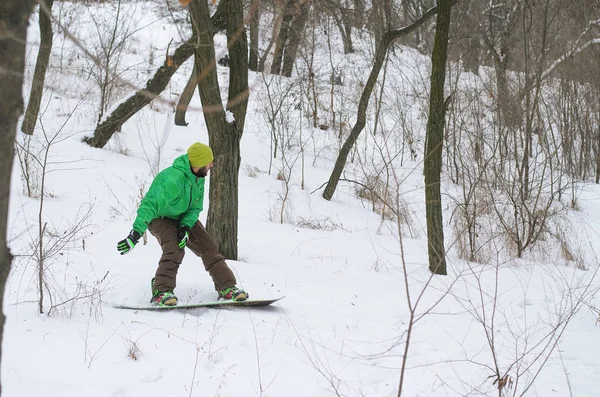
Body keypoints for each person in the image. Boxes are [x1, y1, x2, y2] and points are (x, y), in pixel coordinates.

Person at [117, 142, 248, 306]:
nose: (211, 165)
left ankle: (227, 287)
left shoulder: (198, 177)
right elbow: (148, 206)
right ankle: (162, 290)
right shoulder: (172, 180)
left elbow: (195, 207)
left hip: (182, 217)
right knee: (174, 249)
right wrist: (135, 234)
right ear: (198, 163)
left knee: (208, 247)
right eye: (209, 162)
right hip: (160, 217)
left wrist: (185, 227)